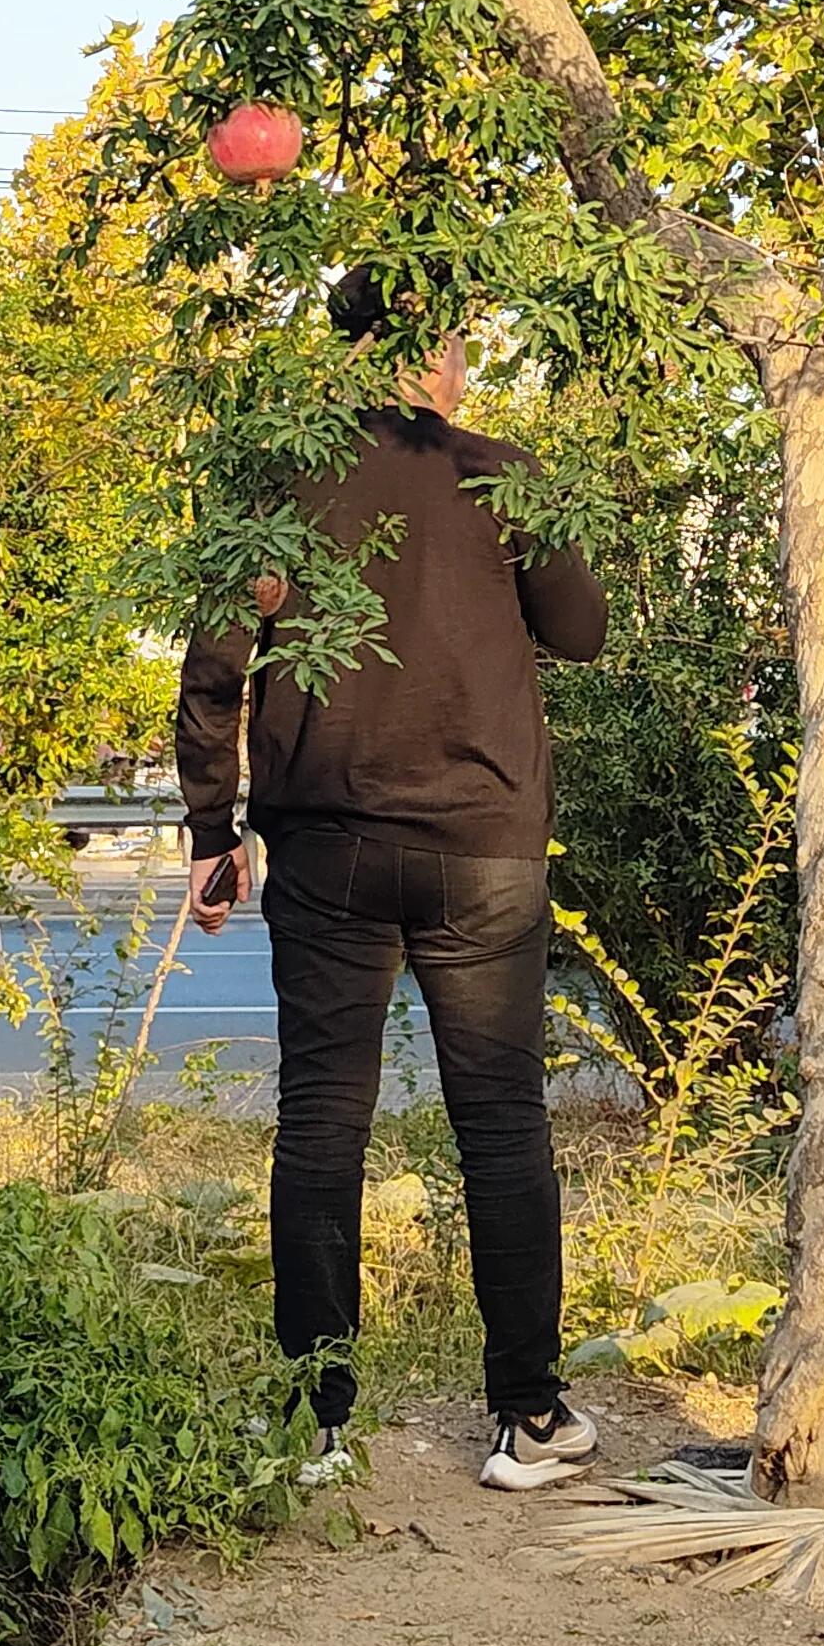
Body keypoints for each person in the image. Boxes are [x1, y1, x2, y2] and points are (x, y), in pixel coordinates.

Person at [173, 272, 611, 1490]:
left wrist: (213, 833)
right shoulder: (501, 474)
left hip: (325, 847)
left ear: (347, 356)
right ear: (442, 355)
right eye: (457, 345)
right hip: (485, 846)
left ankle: (317, 1425)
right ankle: (528, 1418)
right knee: (502, 1122)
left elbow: (214, 673)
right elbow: (581, 631)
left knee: (324, 1121)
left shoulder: (275, 489)